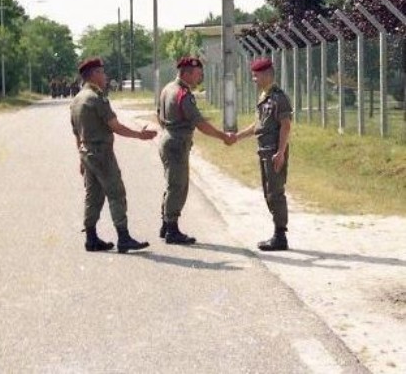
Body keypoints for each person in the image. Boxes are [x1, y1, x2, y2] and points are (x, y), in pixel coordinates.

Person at [70, 57, 157, 253]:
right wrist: (140, 135)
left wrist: (80, 159)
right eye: (102, 72)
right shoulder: (96, 98)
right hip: (101, 154)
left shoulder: (76, 99)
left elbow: (77, 132)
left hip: (86, 153)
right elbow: (115, 126)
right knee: (116, 193)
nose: (105, 76)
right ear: (93, 75)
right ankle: (123, 237)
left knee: (93, 196)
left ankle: (91, 238)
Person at [157, 56, 236, 245]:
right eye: (198, 74)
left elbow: (159, 115)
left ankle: (166, 224)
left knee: (172, 183)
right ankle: (172, 229)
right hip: (177, 144)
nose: (199, 77)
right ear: (187, 73)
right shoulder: (183, 94)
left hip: (168, 139)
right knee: (178, 186)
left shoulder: (168, 89)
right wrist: (223, 136)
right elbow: (200, 124)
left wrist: (171, 128)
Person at [236, 57, 292, 251]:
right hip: (264, 151)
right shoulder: (264, 97)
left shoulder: (278, 97)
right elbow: (258, 125)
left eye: (256, 75)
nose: (254, 79)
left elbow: (286, 126)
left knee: (275, 192)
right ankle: (277, 233)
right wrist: (237, 136)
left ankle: (280, 236)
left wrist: (281, 152)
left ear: (267, 74)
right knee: (269, 192)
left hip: (273, 152)